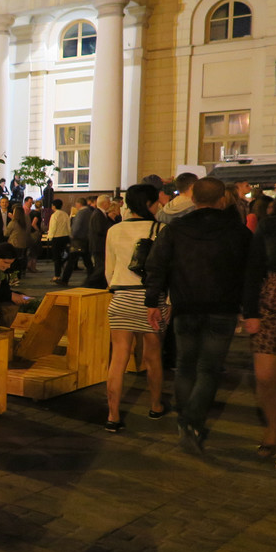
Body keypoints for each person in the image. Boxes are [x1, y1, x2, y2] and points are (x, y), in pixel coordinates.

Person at [145, 177, 251, 455]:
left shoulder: (176, 229)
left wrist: (152, 301)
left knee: (185, 365)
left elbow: (156, 264)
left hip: (186, 306)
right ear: (222, 200)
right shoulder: (237, 232)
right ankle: (192, 420)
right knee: (209, 368)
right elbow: (250, 273)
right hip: (222, 308)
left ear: (193, 199)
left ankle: (185, 420)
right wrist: (248, 308)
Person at [102, 184, 167, 433]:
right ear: (149, 204)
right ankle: (155, 405)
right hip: (151, 299)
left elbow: (109, 270)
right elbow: (165, 271)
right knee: (152, 356)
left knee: (119, 357)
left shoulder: (114, 230)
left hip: (121, 296)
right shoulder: (161, 229)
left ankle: (113, 415)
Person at [242, 169, 276, 470]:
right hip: (271, 308)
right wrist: (250, 311)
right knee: (265, 378)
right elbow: (253, 267)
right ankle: (273, 426)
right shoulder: (272, 224)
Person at [58, 197, 94, 285]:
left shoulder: (81, 213)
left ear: (79, 204)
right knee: (87, 261)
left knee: (71, 260)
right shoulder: (90, 212)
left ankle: (64, 279)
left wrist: (72, 235)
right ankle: (92, 278)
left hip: (78, 240)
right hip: (86, 239)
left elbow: (76, 226)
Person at [85, 195, 113, 289]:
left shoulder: (100, 213)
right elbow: (99, 229)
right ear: (104, 203)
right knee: (101, 267)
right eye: (109, 202)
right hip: (98, 245)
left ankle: (98, 284)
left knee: (101, 267)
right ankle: (89, 283)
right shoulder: (98, 214)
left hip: (99, 245)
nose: (110, 204)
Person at [48, 199, 71, 281]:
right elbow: (69, 226)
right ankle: (62, 266)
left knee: (56, 257)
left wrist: (50, 237)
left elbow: (53, 227)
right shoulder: (65, 214)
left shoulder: (54, 215)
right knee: (65, 255)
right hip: (65, 237)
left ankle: (57, 275)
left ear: (54, 206)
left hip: (56, 238)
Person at [3, 206, 31, 274]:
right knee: (22, 258)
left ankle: (14, 275)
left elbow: (6, 233)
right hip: (24, 243)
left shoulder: (13, 222)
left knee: (14, 261)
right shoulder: (27, 219)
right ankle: (22, 271)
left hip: (14, 244)